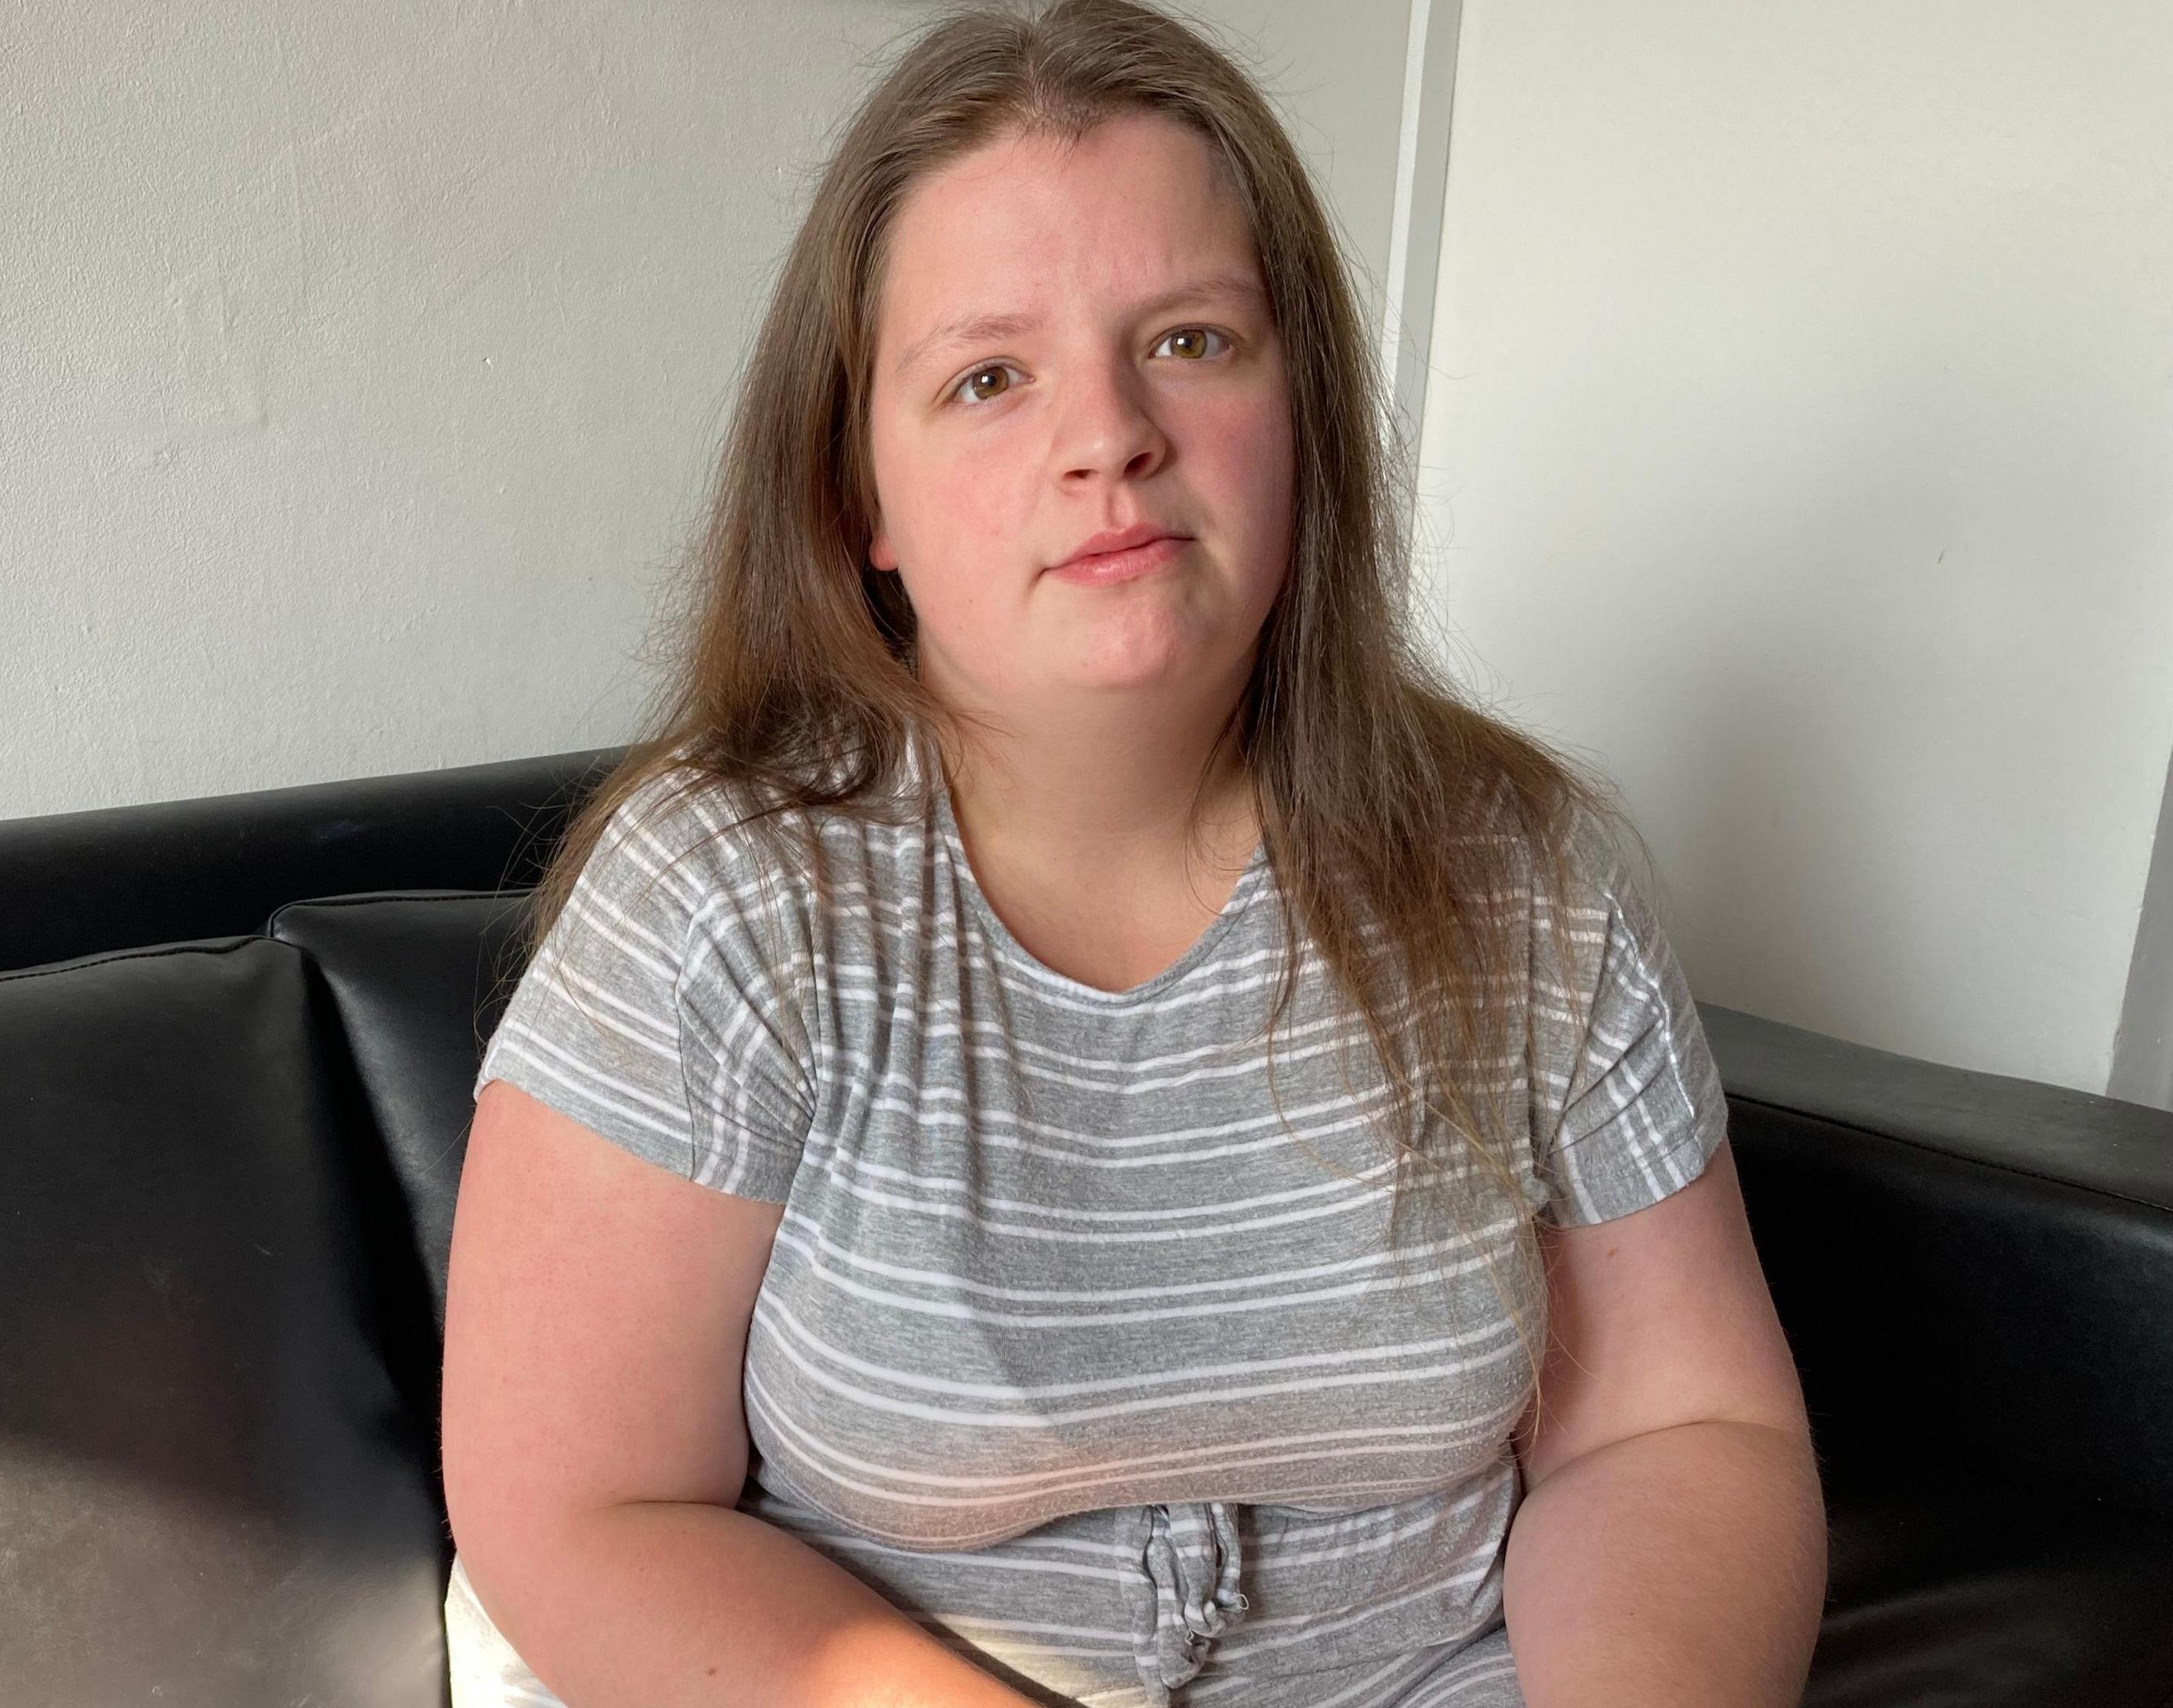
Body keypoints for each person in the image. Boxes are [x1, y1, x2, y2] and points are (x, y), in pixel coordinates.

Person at [435, 2, 1827, 1703]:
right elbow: (581, 1510)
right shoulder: (721, 898)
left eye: (1188, 340)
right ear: (859, 493)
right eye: (989, 376)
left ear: (1299, 412)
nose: (1108, 436)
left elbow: (1681, 1426)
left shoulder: (1527, 874)